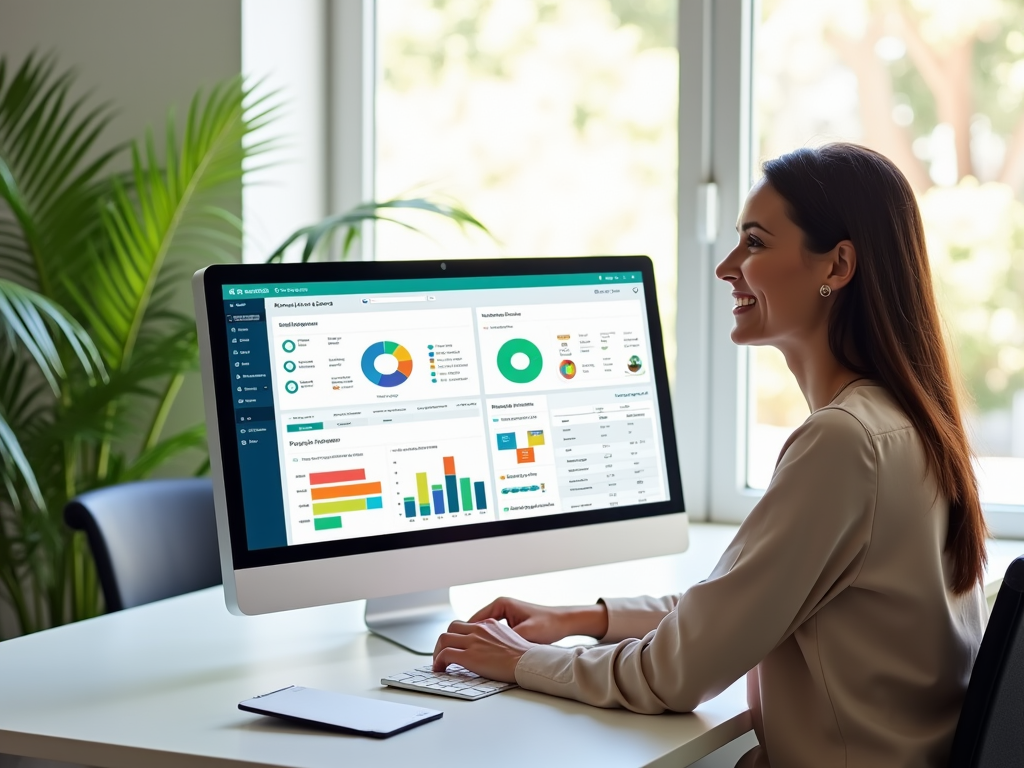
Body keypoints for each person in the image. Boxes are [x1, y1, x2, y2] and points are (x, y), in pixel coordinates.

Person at [432, 143, 989, 768]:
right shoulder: (901, 421)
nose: (727, 267)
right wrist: (580, 619)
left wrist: (518, 660)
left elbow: (675, 674)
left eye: (754, 242)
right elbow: (742, 605)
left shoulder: (844, 443)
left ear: (836, 264)